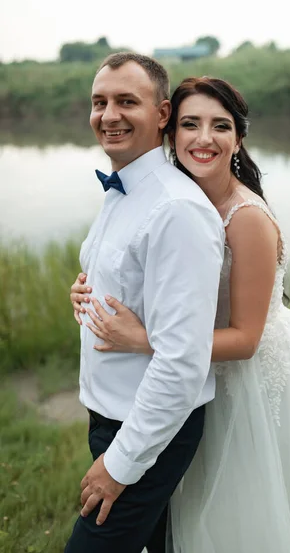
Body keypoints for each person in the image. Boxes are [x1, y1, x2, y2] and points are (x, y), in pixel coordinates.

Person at [71, 76, 290, 552]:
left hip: (248, 382)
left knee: (250, 515)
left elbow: (246, 339)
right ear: (169, 130)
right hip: (195, 377)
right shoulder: (168, 200)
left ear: (238, 139)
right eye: (190, 124)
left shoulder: (245, 219)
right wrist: (90, 288)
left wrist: (143, 338)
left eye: (219, 126)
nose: (204, 139)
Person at [64, 55, 225, 553]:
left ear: (161, 114)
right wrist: (85, 298)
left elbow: (182, 361)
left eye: (126, 101)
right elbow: (125, 285)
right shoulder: (125, 187)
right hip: (110, 412)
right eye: (99, 102)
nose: (108, 114)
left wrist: (120, 464)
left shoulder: (176, 210)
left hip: (147, 426)